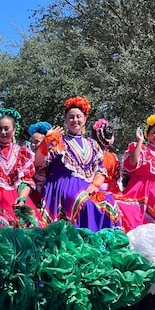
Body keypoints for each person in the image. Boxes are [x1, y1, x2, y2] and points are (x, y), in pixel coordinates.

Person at [33, 96, 121, 230]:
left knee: (109, 202)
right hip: (63, 185)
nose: (75, 120)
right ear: (66, 121)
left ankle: (101, 243)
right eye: (71, 117)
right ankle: (83, 240)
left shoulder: (92, 144)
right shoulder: (58, 140)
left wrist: (95, 185)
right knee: (82, 201)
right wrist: (45, 142)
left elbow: (101, 170)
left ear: (85, 119)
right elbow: (38, 163)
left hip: (87, 186)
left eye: (78, 117)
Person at [0, 107, 47, 231]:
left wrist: (23, 197)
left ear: (14, 130)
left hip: (16, 197)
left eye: (6, 129)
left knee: (31, 228)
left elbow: (26, 181)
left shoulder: (23, 153)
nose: (3, 132)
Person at [91, 118, 122, 192]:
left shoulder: (91, 155)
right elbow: (117, 178)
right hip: (112, 191)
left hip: (94, 191)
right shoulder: (114, 157)